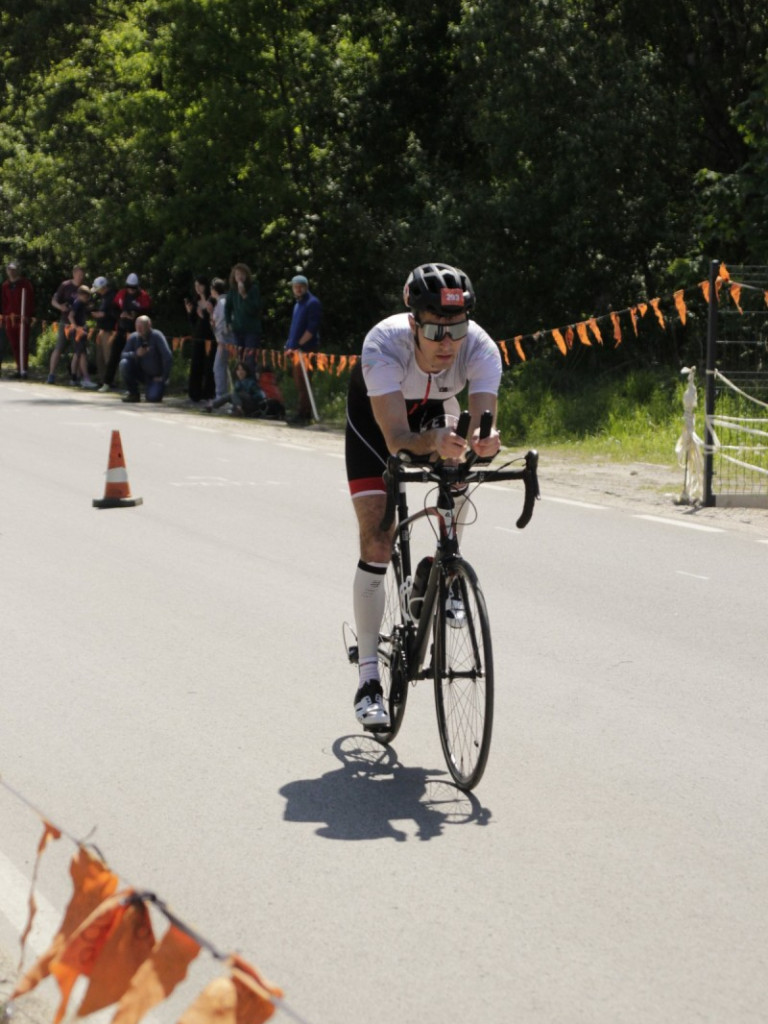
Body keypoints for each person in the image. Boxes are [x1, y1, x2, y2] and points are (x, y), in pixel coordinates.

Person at [345, 262, 502, 728]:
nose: (447, 344)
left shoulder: (480, 348)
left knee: (460, 468)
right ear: (413, 323)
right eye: (435, 331)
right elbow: (396, 438)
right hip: (378, 423)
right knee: (377, 537)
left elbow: (483, 423)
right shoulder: (382, 345)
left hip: (437, 412)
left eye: (457, 330)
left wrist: (485, 442)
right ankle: (369, 676)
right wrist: (431, 443)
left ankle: (439, 572)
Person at [102, 273, 152, 391]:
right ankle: (107, 382)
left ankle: (134, 383)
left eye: (133, 288)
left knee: (136, 357)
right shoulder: (121, 294)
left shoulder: (143, 296)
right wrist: (120, 315)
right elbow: (113, 309)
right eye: (129, 287)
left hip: (137, 333)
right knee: (115, 356)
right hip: (121, 330)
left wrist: (134, 315)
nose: (131, 290)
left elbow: (148, 313)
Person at [284, 274, 322, 424]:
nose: (298, 289)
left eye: (301, 286)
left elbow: (312, 328)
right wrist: (289, 345)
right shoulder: (297, 305)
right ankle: (302, 411)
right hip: (296, 350)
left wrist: (299, 344)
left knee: (305, 382)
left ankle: (305, 414)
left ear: (306, 287)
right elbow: (294, 328)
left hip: (306, 350)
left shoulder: (312, 303)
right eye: (295, 286)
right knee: (299, 382)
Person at [119, 315, 173, 403]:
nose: (139, 329)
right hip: (142, 374)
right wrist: (135, 354)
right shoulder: (133, 337)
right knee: (124, 363)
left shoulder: (157, 336)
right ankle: (133, 393)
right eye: (137, 327)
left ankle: (158, 387)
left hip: (156, 376)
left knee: (152, 398)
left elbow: (168, 356)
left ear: (149, 325)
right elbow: (123, 355)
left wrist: (164, 376)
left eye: (142, 326)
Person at [48, 265, 85, 383]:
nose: (81, 277)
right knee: (59, 347)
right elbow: (53, 301)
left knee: (79, 350)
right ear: (74, 274)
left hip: (78, 323)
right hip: (65, 322)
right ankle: (51, 374)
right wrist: (60, 307)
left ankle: (76, 377)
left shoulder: (84, 288)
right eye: (79, 274)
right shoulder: (65, 285)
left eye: (82, 275)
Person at [184, 275, 216, 404]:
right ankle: (194, 393)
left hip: (210, 337)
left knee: (209, 365)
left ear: (205, 286)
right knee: (196, 364)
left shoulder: (212, 300)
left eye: (200, 285)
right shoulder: (195, 301)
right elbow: (192, 322)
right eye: (196, 286)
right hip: (197, 337)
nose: (198, 288)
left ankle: (208, 393)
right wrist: (190, 312)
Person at [224, 263, 262, 370]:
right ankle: (242, 385)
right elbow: (227, 308)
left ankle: (251, 385)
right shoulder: (232, 291)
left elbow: (254, 310)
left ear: (247, 276)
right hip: (237, 330)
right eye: (237, 274)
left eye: (242, 274)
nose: (240, 277)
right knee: (240, 361)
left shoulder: (253, 289)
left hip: (251, 331)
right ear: (234, 277)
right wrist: (228, 322)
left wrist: (244, 295)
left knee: (250, 360)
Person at [1, 260, 34, 379]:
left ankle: (24, 369)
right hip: (10, 319)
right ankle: (18, 367)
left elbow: (30, 301)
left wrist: (27, 315)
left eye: (14, 269)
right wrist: (5, 316)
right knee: (14, 344)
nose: (11, 271)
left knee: (23, 344)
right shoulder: (5, 285)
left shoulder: (25, 284)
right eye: (10, 269)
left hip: (22, 318)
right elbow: (4, 303)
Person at [208, 276, 234, 403]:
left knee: (218, 367)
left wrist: (221, 338)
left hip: (225, 341)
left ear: (214, 289)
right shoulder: (220, 302)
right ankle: (225, 396)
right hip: (224, 340)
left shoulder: (222, 303)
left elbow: (224, 322)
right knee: (223, 367)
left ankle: (221, 397)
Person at [90, 276, 119, 387]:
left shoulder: (112, 296)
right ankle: (103, 379)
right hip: (101, 330)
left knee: (108, 356)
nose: (97, 291)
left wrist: (101, 314)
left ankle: (111, 381)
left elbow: (113, 313)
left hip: (109, 331)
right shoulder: (103, 297)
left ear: (103, 287)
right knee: (100, 357)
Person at [68, 284, 98, 388]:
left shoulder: (81, 303)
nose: (87, 299)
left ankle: (76, 377)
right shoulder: (78, 303)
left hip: (80, 331)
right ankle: (79, 378)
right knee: (78, 354)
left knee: (80, 354)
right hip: (78, 332)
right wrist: (77, 328)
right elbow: (70, 316)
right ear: (80, 295)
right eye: (86, 297)